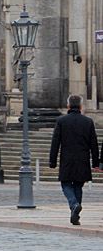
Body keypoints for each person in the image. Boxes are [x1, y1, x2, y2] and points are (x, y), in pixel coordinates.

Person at [49, 95, 100, 226]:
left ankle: (74, 204)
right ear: (81, 106)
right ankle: (75, 214)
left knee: (65, 184)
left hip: (67, 159)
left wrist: (52, 161)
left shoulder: (61, 121)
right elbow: (93, 143)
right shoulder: (88, 121)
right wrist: (96, 162)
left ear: (68, 106)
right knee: (78, 185)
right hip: (82, 159)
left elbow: (55, 142)